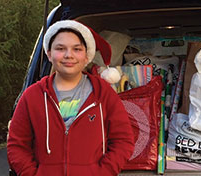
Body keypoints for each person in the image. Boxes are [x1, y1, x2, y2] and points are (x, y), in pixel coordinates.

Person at [7, 20, 135, 176]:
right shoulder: (32, 96)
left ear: (87, 56)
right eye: (60, 48)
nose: (69, 55)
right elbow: (17, 145)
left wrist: (103, 172)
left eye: (77, 49)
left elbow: (123, 141)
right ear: (49, 53)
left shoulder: (104, 94)